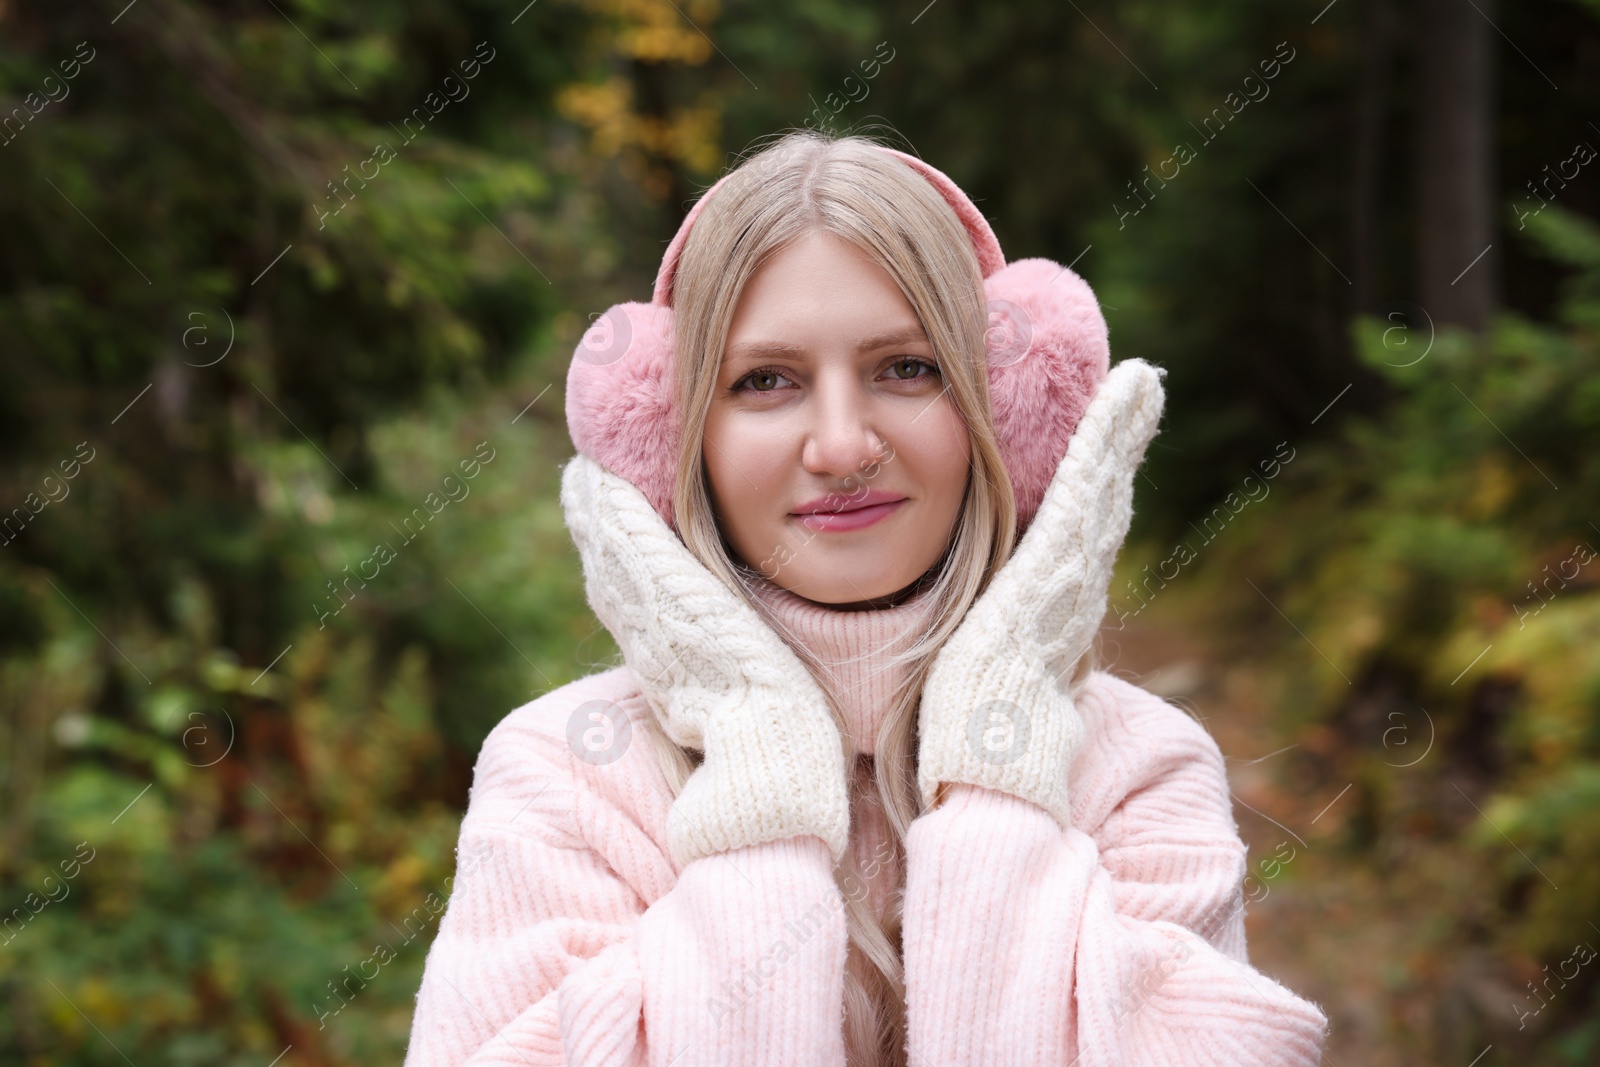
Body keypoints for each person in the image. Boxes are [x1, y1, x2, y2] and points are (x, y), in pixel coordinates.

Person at [402, 130, 1330, 1066]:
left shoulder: (1141, 769)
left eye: (907, 368)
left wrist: (997, 766)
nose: (843, 446)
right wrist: (757, 786)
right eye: (766, 381)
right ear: (673, 439)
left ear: (1002, 415)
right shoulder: (562, 775)